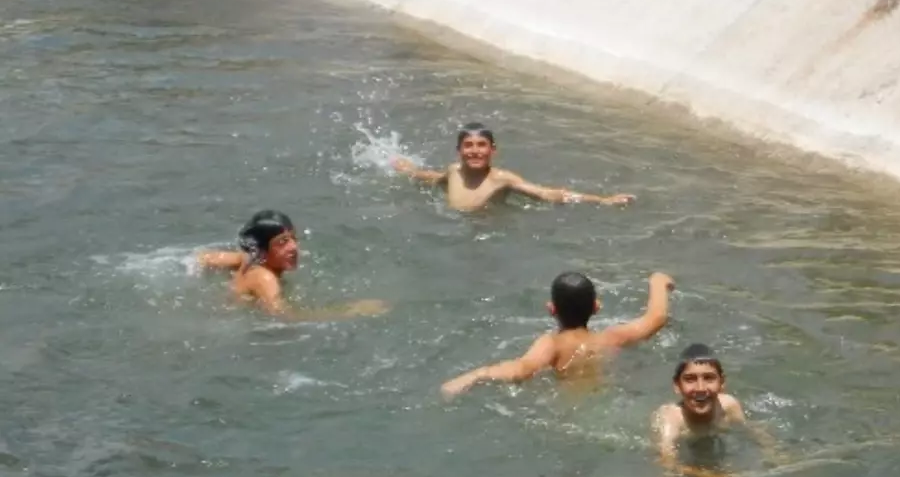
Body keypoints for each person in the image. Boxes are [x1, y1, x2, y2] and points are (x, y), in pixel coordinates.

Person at [441, 271, 674, 398]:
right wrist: (658, 282)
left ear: (551, 309)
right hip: (608, 396)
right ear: (596, 307)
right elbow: (656, 318)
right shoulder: (611, 338)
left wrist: (476, 375)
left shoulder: (551, 344)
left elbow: (522, 369)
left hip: (568, 409)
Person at [393, 122, 634, 212]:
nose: (475, 150)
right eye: (468, 145)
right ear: (459, 151)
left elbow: (547, 194)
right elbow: (435, 178)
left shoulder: (502, 179)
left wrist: (603, 201)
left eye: (481, 145)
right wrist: (410, 171)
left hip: (486, 232)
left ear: (492, 150)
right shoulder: (453, 170)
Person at [196, 210, 387, 319]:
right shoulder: (265, 278)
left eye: (293, 239)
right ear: (263, 251)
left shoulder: (247, 258)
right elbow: (285, 317)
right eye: (282, 242)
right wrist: (352, 310)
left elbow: (206, 258)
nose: (294, 247)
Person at [652, 344, 778, 477]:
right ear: (677, 385)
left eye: (709, 378)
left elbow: (750, 431)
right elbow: (667, 463)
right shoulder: (670, 419)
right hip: (687, 455)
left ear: (722, 382)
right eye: (690, 379)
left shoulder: (729, 406)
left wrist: (773, 453)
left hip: (712, 446)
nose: (700, 388)